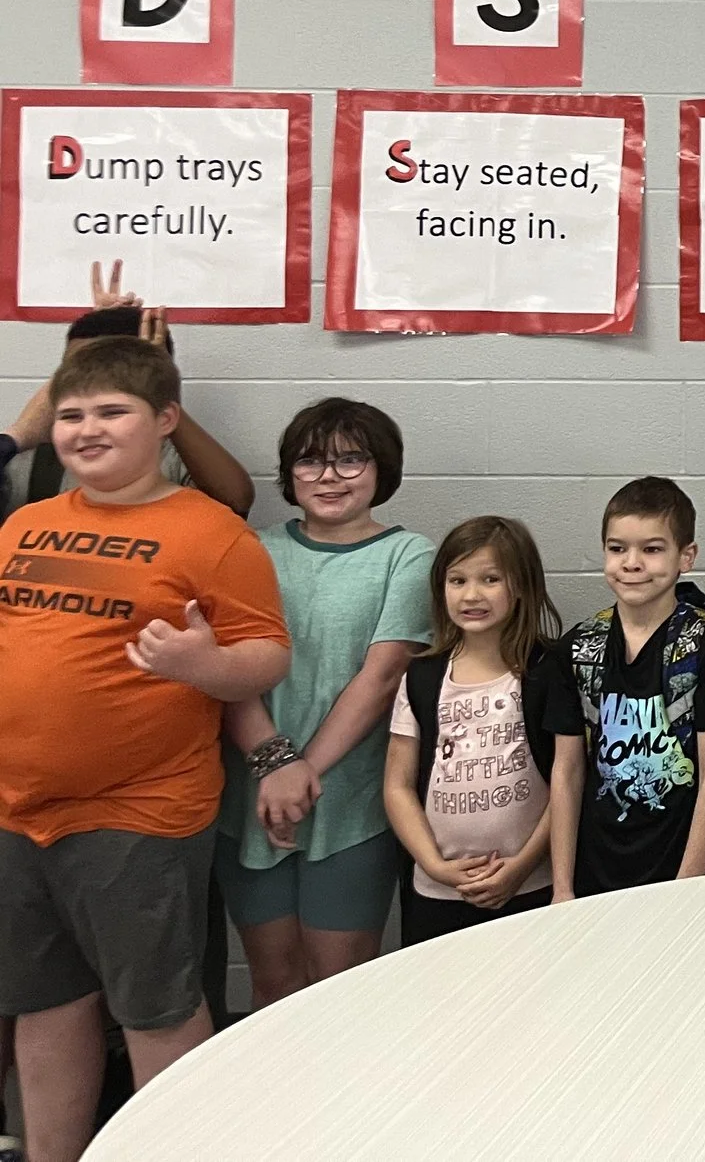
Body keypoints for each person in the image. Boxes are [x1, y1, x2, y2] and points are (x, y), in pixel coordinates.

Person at [0, 334, 288, 1162]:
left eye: (111, 411)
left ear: (164, 420)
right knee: (45, 1003)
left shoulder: (211, 532)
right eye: (71, 414)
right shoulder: (28, 521)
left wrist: (202, 663)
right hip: (21, 816)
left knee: (156, 1007)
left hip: (137, 816)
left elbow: (266, 653)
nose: (87, 429)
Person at [217, 398, 433, 1006]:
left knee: (339, 995)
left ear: (381, 469)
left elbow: (381, 676)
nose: (330, 477)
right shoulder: (249, 550)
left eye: (350, 460)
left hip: (351, 805)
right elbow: (228, 674)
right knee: (274, 986)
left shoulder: (408, 555)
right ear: (289, 475)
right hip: (252, 801)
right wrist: (274, 767)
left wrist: (302, 771)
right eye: (311, 462)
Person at [548, 477, 705, 899]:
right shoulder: (579, 649)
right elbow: (567, 772)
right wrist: (562, 886)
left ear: (685, 556)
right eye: (617, 549)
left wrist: (688, 885)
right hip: (597, 866)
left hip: (677, 863)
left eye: (652, 549)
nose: (631, 563)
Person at [383, 516, 564, 943]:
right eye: (457, 580)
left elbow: (568, 781)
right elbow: (397, 785)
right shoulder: (422, 677)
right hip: (439, 892)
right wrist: (433, 864)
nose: (471, 595)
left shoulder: (545, 671)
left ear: (519, 585)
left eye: (490, 579)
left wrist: (521, 866)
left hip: (528, 885)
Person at [4, 265, 255, 522]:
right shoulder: (34, 456)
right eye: (80, 366)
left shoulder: (174, 454)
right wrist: (19, 435)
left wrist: (156, 381)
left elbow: (235, 502)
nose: (92, 377)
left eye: (111, 366)